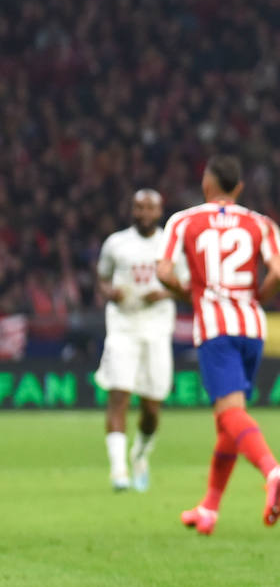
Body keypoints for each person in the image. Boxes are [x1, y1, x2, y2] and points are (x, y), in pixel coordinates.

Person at [157, 156, 280, 536]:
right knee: (229, 420)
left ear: (206, 182)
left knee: (230, 413)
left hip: (215, 329)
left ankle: (273, 470)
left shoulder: (183, 221)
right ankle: (209, 509)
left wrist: (188, 294)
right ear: (238, 187)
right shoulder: (260, 223)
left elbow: (164, 273)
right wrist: (258, 297)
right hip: (252, 326)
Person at [95, 190, 183, 492]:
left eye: (149, 208)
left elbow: (187, 284)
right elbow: (103, 277)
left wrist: (166, 291)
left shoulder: (170, 245)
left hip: (157, 329)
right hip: (122, 327)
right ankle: (118, 471)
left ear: (159, 212)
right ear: (131, 210)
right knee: (118, 396)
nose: (143, 213)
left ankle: (140, 454)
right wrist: (109, 292)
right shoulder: (116, 243)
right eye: (138, 207)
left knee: (151, 408)